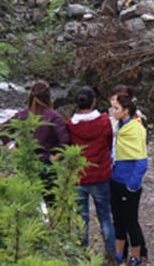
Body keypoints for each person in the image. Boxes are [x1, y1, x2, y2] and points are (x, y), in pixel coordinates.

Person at [67, 87, 118, 261]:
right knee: (104, 216)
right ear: (94, 102)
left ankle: (83, 255)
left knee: (81, 218)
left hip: (79, 176)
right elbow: (109, 142)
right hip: (100, 175)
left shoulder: (71, 125)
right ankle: (111, 254)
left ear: (76, 103)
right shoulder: (104, 121)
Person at [1, 80, 69, 203]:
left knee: (27, 203)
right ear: (49, 96)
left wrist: (12, 148)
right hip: (46, 165)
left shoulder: (23, 115)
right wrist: (55, 158)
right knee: (52, 204)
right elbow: (65, 141)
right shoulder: (54, 116)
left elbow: (2, 131)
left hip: (25, 163)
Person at [110, 90, 148, 265]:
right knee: (117, 220)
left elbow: (141, 161)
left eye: (116, 108)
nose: (113, 111)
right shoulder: (119, 127)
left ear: (125, 110)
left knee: (131, 221)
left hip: (128, 183)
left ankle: (135, 256)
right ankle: (119, 255)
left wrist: (132, 185)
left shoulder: (136, 129)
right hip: (115, 179)